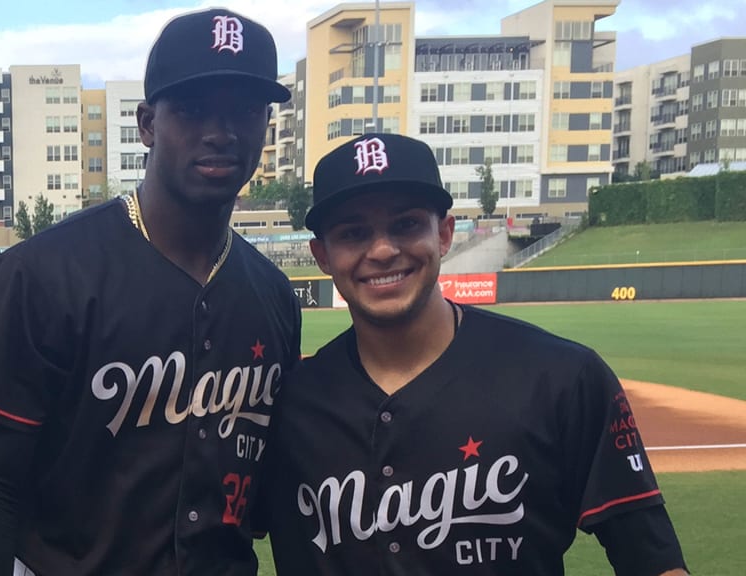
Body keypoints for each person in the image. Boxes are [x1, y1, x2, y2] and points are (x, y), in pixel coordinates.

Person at [0, 8, 301, 576]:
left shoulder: (274, 297)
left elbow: (262, 505)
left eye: (243, 109)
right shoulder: (38, 276)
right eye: (191, 107)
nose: (220, 131)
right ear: (146, 124)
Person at [260, 134, 688, 576]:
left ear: (444, 234)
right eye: (353, 233)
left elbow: (654, 562)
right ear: (322, 255)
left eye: (406, 224)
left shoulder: (561, 377)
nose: (383, 250)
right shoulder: (286, 407)